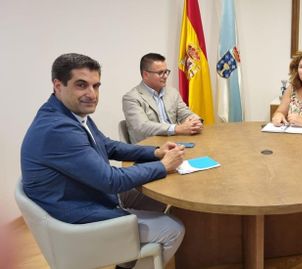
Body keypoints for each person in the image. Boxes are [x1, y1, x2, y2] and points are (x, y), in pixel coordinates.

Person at [21, 53, 185, 268]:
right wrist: (163, 165)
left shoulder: (68, 113)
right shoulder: (58, 128)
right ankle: (127, 262)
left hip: (83, 192)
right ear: (58, 85)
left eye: (96, 86)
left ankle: (127, 256)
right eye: (82, 85)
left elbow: (109, 146)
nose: (92, 94)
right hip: (77, 213)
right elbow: (110, 180)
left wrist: (155, 153)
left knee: (158, 192)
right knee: (173, 228)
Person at [123, 53, 203, 144]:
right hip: (149, 149)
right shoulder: (131, 98)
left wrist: (195, 121)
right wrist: (176, 128)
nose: (165, 76)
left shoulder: (172, 92)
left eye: (166, 72)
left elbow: (185, 114)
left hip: (175, 143)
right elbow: (142, 126)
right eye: (160, 73)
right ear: (145, 74)